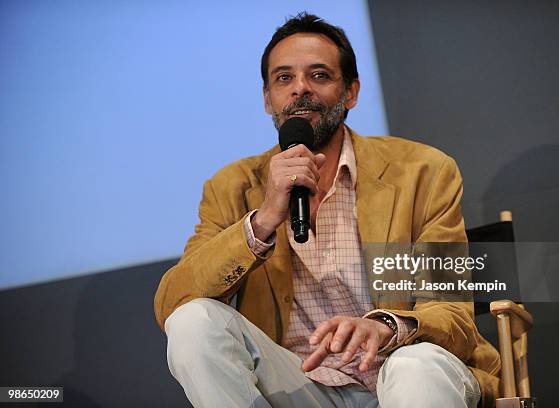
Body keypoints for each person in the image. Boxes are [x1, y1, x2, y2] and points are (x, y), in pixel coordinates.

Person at [154, 12, 500, 408]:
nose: (300, 89)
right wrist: (263, 220)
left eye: (319, 75)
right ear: (267, 98)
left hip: (399, 371)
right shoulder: (230, 186)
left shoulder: (422, 172)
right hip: (300, 385)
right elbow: (171, 304)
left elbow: (452, 311)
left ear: (351, 92)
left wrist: (386, 327)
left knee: (414, 367)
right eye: (284, 78)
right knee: (192, 321)